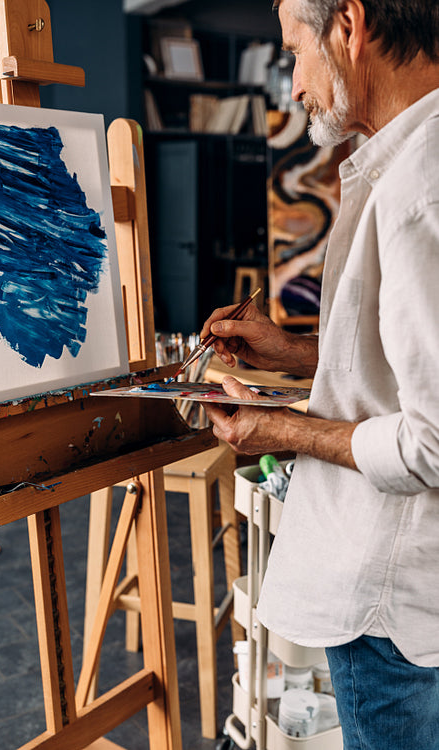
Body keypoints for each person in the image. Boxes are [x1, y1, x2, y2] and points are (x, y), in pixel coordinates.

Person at [200, 1, 439, 748]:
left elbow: (433, 439)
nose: (294, 83)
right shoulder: (399, 162)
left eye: (294, 50)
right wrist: (295, 351)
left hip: (397, 611)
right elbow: (412, 362)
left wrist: (279, 428)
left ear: (350, 26)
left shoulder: (418, 189)